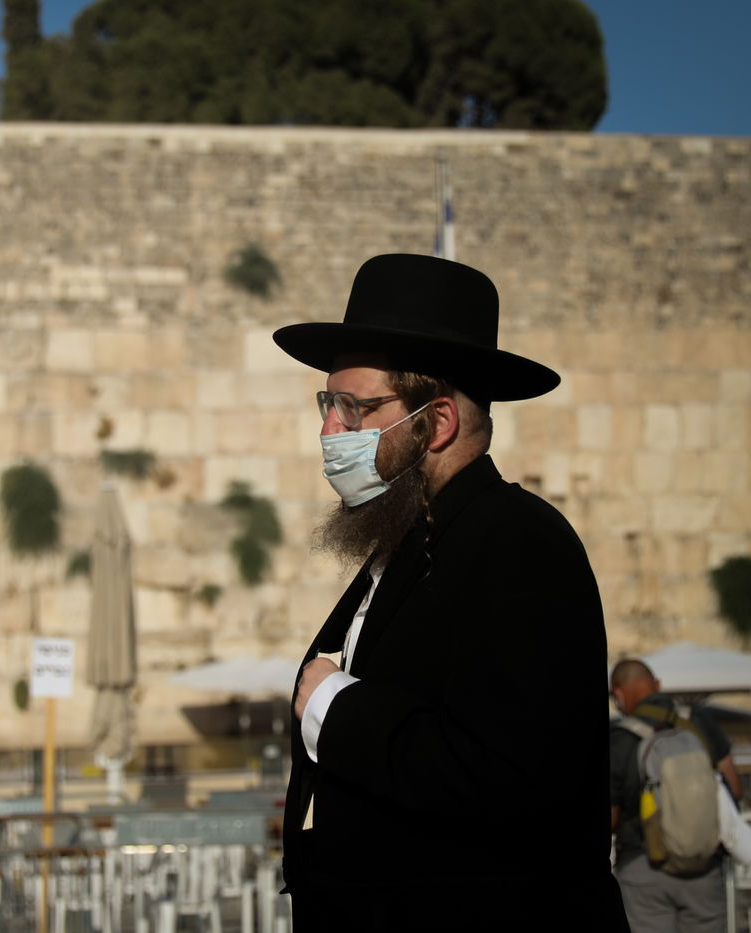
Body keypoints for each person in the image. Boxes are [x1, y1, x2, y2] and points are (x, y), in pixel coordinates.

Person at [274, 254, 627, 931]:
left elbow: (512, 777)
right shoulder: (408, 541)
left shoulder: (521, 543)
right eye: (328, 403)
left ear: (435, 424)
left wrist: (333, 708)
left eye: (356, 407)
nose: (329, 431)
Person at [609, 658, 740, 932]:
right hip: (703, 866)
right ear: (657, 685)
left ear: (618, 694)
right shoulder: (699, 722)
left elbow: (611, 817)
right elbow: (734, 788)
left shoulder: (618, 739)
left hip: (644, 870)